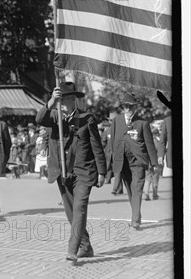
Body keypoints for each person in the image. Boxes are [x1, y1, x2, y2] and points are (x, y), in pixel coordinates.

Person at [36, 82, 106, 263]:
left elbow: (97, 146)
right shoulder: (53, 117)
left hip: (84, 172)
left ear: (75, 100)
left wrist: (102, 172)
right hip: (62, 172)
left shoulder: (87, 118)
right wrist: (51, 100)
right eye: (63, 99)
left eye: (70, 99)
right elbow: (39, 119)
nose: (67, 102)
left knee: (79, 209)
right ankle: (86, 246)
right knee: (71, 213)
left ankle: (72, 249)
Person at [110, 93, 158, 230]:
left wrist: (153, 163)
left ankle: (135, 220)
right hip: (122, 161)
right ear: (123, 107)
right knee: (130, 190)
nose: (129, 109)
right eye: (126, 106)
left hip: (138, 161)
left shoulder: (143, 123)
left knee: (137, 189)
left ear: (136, 107)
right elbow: (112, 142)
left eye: (132, 106)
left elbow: (150, 145)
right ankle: (137, 214)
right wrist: (112, 159)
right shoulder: (116, 121)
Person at [143, 123, 164, 201]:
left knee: (148, 179)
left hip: (147, 161)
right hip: (155, 162)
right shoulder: (156, 142)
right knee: (155, 179)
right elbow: (159, 151)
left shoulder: (146, 141)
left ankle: (146, 194)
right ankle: (155, 195)